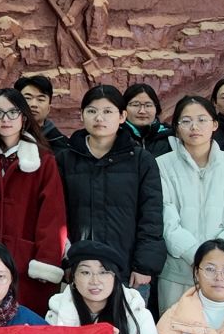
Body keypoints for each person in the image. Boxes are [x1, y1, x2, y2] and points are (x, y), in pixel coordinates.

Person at [54, 85, 166, 302]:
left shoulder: (141, 160)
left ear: (122, 116)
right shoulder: (65, 160)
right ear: (82, 115)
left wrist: (144, 265)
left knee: (128, 323)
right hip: (81, 269)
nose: (99, 118)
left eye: (107, 111)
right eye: (92, 111)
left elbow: (151, 216)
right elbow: (57, 216)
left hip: (128, 270)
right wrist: (66, 261)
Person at [156, 96, 224, 308]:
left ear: (214, 124)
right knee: (178, 327)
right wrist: (196, 256)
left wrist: (217, 258)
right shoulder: (161, 166)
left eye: (202, 119)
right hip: (179, 274)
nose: (194, 127)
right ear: (176, 127)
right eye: (186, 121)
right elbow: (164, 218)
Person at [0, 87, 67, 314]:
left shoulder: (43, 161)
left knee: (25, 323)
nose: (5, 119)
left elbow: (53, 215)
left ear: (24, 117)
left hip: (26, 262)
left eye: (12, 112)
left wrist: (46, 260)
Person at [122, 84, 173, 156]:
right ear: (124, 108)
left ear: (156, 108)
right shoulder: (115, 136)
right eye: (135, 105)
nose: (142, 111)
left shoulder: (171, 137)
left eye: (148, 105)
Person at [16, 73, 64, 146]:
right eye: (27, 98)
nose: (33, 104)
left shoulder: (60, 144)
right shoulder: (4, 137)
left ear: (48, 108)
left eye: (40, 99)